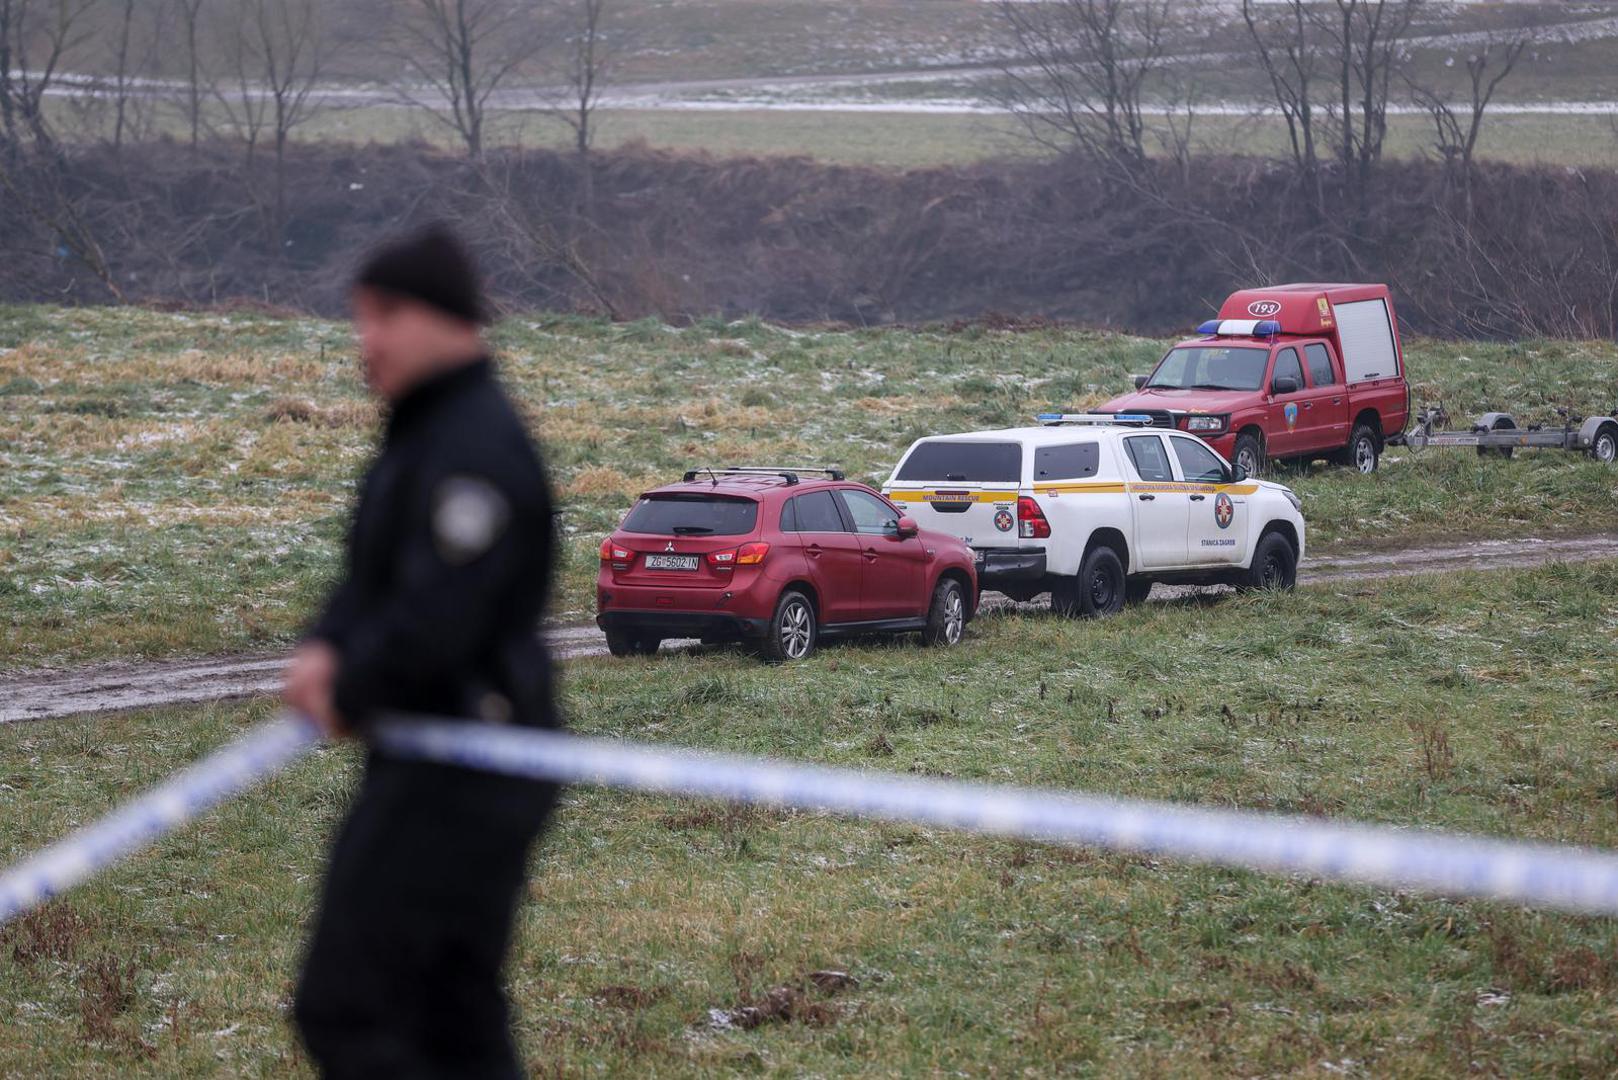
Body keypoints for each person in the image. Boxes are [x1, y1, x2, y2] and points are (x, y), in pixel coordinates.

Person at [284, 224, 560, 1078]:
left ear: (449, 319)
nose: (366, 341)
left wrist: (353, 680)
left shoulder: (473, 447)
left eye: (386, 315)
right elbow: (373, 579)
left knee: (348, 1008)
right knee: (453, 1014)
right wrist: (327, 644)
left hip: (470, 769)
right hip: (432, 756)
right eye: (360, 317)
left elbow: (444, 613)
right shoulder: (421, 434)